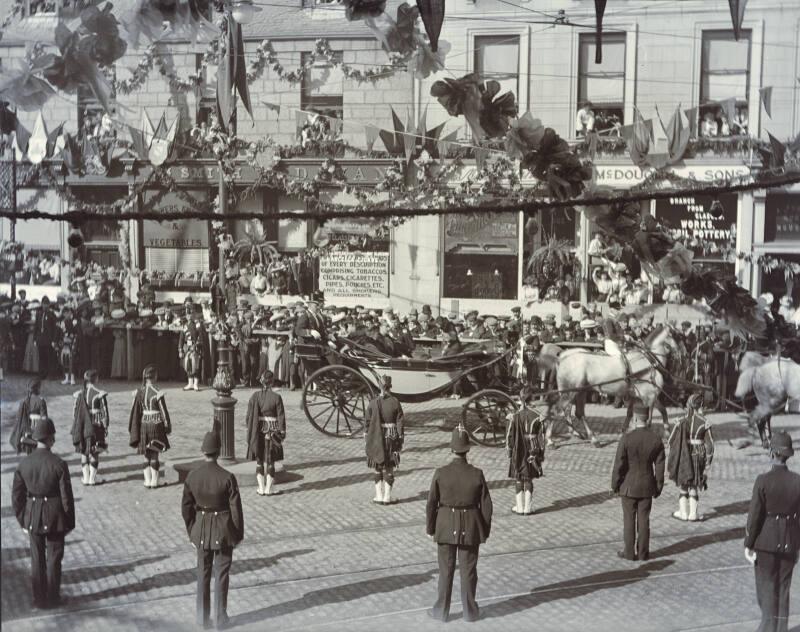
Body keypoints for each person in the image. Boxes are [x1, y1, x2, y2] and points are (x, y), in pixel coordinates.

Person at [426, 425, 493, 623]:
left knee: (445, 571)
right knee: (469, 571)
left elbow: (431, 504)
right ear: (467, 449)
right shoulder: (477, 474)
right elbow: (487, 506)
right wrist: (484, 531)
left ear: (452, 449)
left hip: (445, 525)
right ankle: (470, 612)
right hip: (471, 527)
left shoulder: (440, 473)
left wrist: (431, 528)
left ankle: (441, 612)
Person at [181, 431, 244, 630]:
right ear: (218, 452)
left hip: (201, 528)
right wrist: (237, 534)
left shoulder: (192, 476)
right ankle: (220, 618)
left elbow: (186, 508)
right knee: (222, 573)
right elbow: (236, 509)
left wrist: (192, 530)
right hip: (223, 530)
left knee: (203, 573)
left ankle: (202, 618)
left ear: (203, 452)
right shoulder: (227, 477)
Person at [11, 417, 75, 609]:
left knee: (37, 558)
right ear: (50, 439)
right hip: (55, 515)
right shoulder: (59, 464)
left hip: (33, 514)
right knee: (54, 558)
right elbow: (66, 498)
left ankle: (39, 599)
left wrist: (23, 519)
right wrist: (69, 522)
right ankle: (53, 597)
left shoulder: (24, 465)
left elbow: (17, 497)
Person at [744, 431, 800, 632]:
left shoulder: (763, 480)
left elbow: (755, 516)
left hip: (765, 543)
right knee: (783, 589)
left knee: (766, 589)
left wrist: (749, 544)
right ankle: (780, 629)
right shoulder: (797, 481)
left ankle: (767, 628)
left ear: (772, 453)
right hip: (789, 543)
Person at [611, 416, 665, 561]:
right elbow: (660, 466)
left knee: (629, 520)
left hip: (628, 487)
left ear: (635, 419)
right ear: (648, 419)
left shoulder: (626, 438)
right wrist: (658, 486)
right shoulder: (656, 439)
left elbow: (619, 465)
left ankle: (628, 553)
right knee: (644, 520)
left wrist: (615, 485)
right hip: (647, 486)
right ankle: (643, 553)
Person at [667, 394, 714, 522]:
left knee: (683, 483)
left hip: (684, 454)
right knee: (694, 484)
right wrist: (708, 462)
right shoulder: (704, 422)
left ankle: (683, 513)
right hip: (699, 455)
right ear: (700, 405)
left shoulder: (680, 421)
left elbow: (670, 440)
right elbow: (710, 445)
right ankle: (693, 514)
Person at [128, 365, 172, 489]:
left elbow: (135, 411)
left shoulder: (139, 392)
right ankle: (154, 481)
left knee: (146, 454)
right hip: (156, 426)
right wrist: (167, 427)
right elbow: (164, 412)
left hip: (143, 425)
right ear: (155, 377)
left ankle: (147, 481)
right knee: (155, 453)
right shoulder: (157, 393)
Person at [245, 369, 286, 496]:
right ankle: (269, 488)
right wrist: (282, 432)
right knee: (271, 460)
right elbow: (281, 417)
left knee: (259, 460)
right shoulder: (277, 397)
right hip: (273, 432)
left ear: (262, 381)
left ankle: (261, 488)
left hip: (258, 432)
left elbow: (248, 417)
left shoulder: (255, 396)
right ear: (272, 382)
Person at [506, 388, 546, 515]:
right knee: (529, 478)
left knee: (518, 478)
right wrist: (541, 454)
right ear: (532, 399)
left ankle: (519, 507)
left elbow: (509, 436)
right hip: (532, 449)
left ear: (520, 399)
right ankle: (528, 508)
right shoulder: (538, 416)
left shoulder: (514, 416)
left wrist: (509, 452)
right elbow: (542, 437)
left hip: (518, 449)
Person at [365, 375, 404, 505]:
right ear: (390, 387)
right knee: (389, 466)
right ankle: (387, 497)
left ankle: (378, 495)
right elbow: (400, 421)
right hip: (391, 437)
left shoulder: (373, 403)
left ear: (380, 387)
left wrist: (367, 434)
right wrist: (400, 436)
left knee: (377, 465)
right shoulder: (395, 402)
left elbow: (367, 421)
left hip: (376, 436)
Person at [70, 370, 109, 486]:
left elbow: (75, 413)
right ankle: (92, 478)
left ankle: (85, 478)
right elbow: (105, 413)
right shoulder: (99, 394)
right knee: (94, 451)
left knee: (84, 452)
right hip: (96, 426)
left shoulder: (79, 394)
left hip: (83, 426)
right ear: (96, 379)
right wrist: (106, 426)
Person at [34, 296, 58, 379]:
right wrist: (35, 338)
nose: (45, 306)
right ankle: (42, 374)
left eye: (47, 304)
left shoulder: (52, 314)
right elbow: (36, 327)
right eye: (44, 304)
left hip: (49, 339)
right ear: (41, 304)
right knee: (42, 357)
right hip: (40, 339)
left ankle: (51, 374)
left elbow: (55, 328)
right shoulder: (38, 314)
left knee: (50, 357)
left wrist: (54, 340)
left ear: (49, 305)